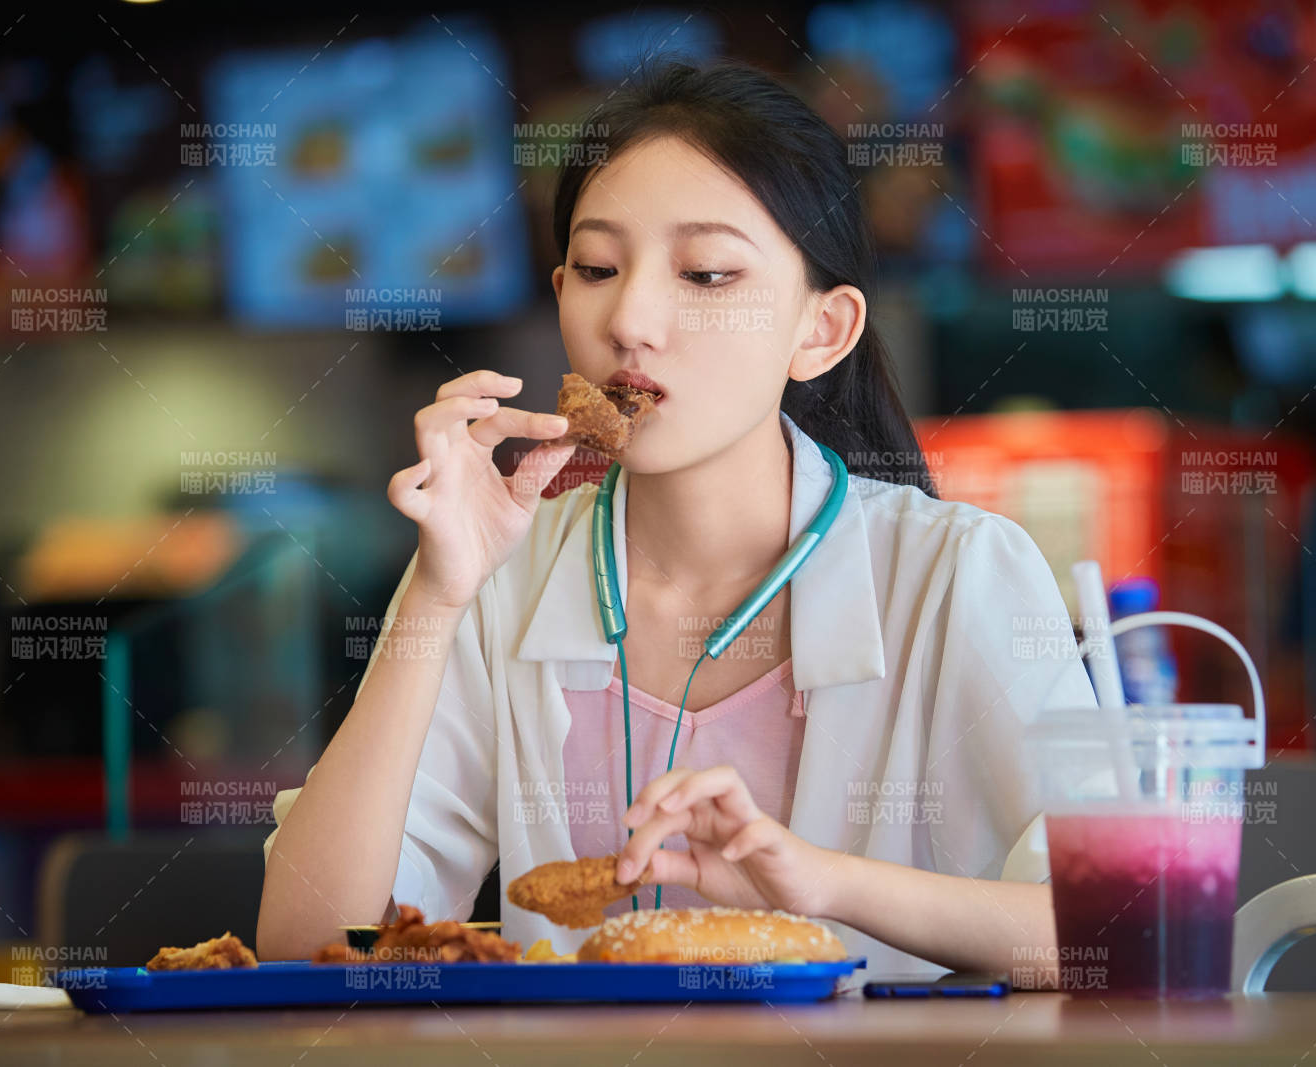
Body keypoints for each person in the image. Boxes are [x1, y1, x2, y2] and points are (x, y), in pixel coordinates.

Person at [258, 58, 1093, 980]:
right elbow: (310, 946)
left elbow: (1113, 933)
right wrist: (438, 589)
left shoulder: (954, 574)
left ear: (822, 331)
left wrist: (820, 883)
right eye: (596, 267)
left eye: (705, 271)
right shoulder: (501, 573)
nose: (632, 318)